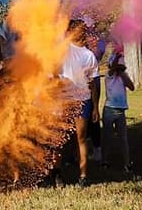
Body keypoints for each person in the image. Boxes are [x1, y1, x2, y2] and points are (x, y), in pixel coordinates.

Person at [59, 19, 101, 187]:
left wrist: (95, 107)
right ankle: (57, 173)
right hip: (64, 100)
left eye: (84, 29)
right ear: (69, 31)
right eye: (79, 29)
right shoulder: (61, 50)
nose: (83, 32)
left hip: (83, 101)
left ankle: (83, 176)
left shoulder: (89, 55)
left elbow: (93, 85)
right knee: (61, 139)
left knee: (80, 138)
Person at [100, 50, 134, 172]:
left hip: (121, 111)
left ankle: (126, 163)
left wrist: (123, 73)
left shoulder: (123, 77)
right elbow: (112, 67)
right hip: (109, 110)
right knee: (107, 137)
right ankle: (105, 161)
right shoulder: (109, 75)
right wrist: (117, 56)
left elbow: (132, 87)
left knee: (123, 138)